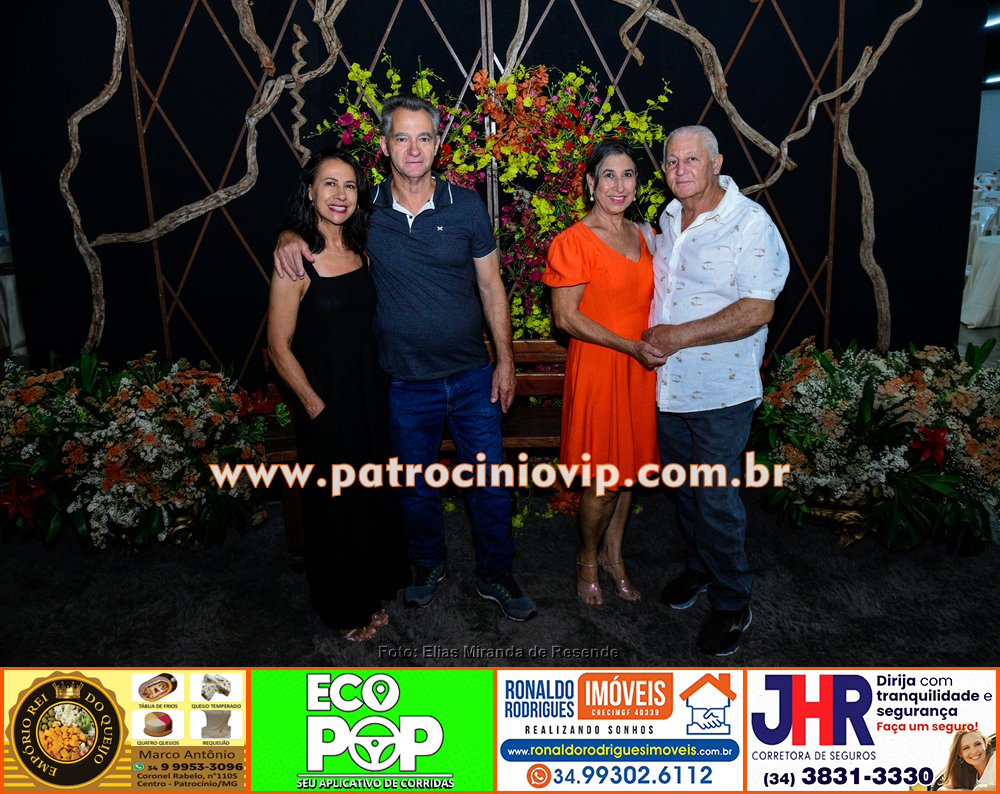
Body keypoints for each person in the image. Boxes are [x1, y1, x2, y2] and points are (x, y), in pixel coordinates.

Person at [273, 95, 537, 621]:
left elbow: (491, 285)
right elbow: (318, 227)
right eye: (401, 137)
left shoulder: (466, 206)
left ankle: (495, 574)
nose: (413, 149)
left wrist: (505, 360)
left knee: (490, 486)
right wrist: (285, 236)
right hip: (403, 383)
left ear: (438, 144)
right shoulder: (365, 210)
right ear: (385, 145)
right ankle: (427, 565)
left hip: (472, 377)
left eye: (423, 137)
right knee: (414, 489)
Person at [642, 125, 789, 656]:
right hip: (669, 387)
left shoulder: (749, 222)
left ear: (716, 163)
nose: (680, 170)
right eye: (672, 161)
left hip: (722, 392)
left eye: (692, 160)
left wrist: (676, 336)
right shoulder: (667, 218)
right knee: (685, 489)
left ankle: (733, 601)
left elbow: (757, 309)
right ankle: (700, 568)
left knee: (715, 498)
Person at [267, 147, 410, 641]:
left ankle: (370, 591)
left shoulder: (361, 250)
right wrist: (314, 406)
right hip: (325, 401)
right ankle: (344, 609)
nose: (340, 194)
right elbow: (277, 346)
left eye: (349, 185)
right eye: (329, 183)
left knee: (370, 498)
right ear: (310, 191)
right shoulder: (294, 261)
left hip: (371, 394)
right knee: (336, 507)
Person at [542, 140, 665, 606]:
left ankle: (615, 555)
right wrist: (628, 346)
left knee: (628, 473)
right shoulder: (573, 241)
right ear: (591, 183)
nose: (619, 184)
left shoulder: (646, 234)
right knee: (604, 479)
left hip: (641, 370)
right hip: (601, 366)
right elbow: (565, 318)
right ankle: (588, 558)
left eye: (628, 174)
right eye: (608, 175)